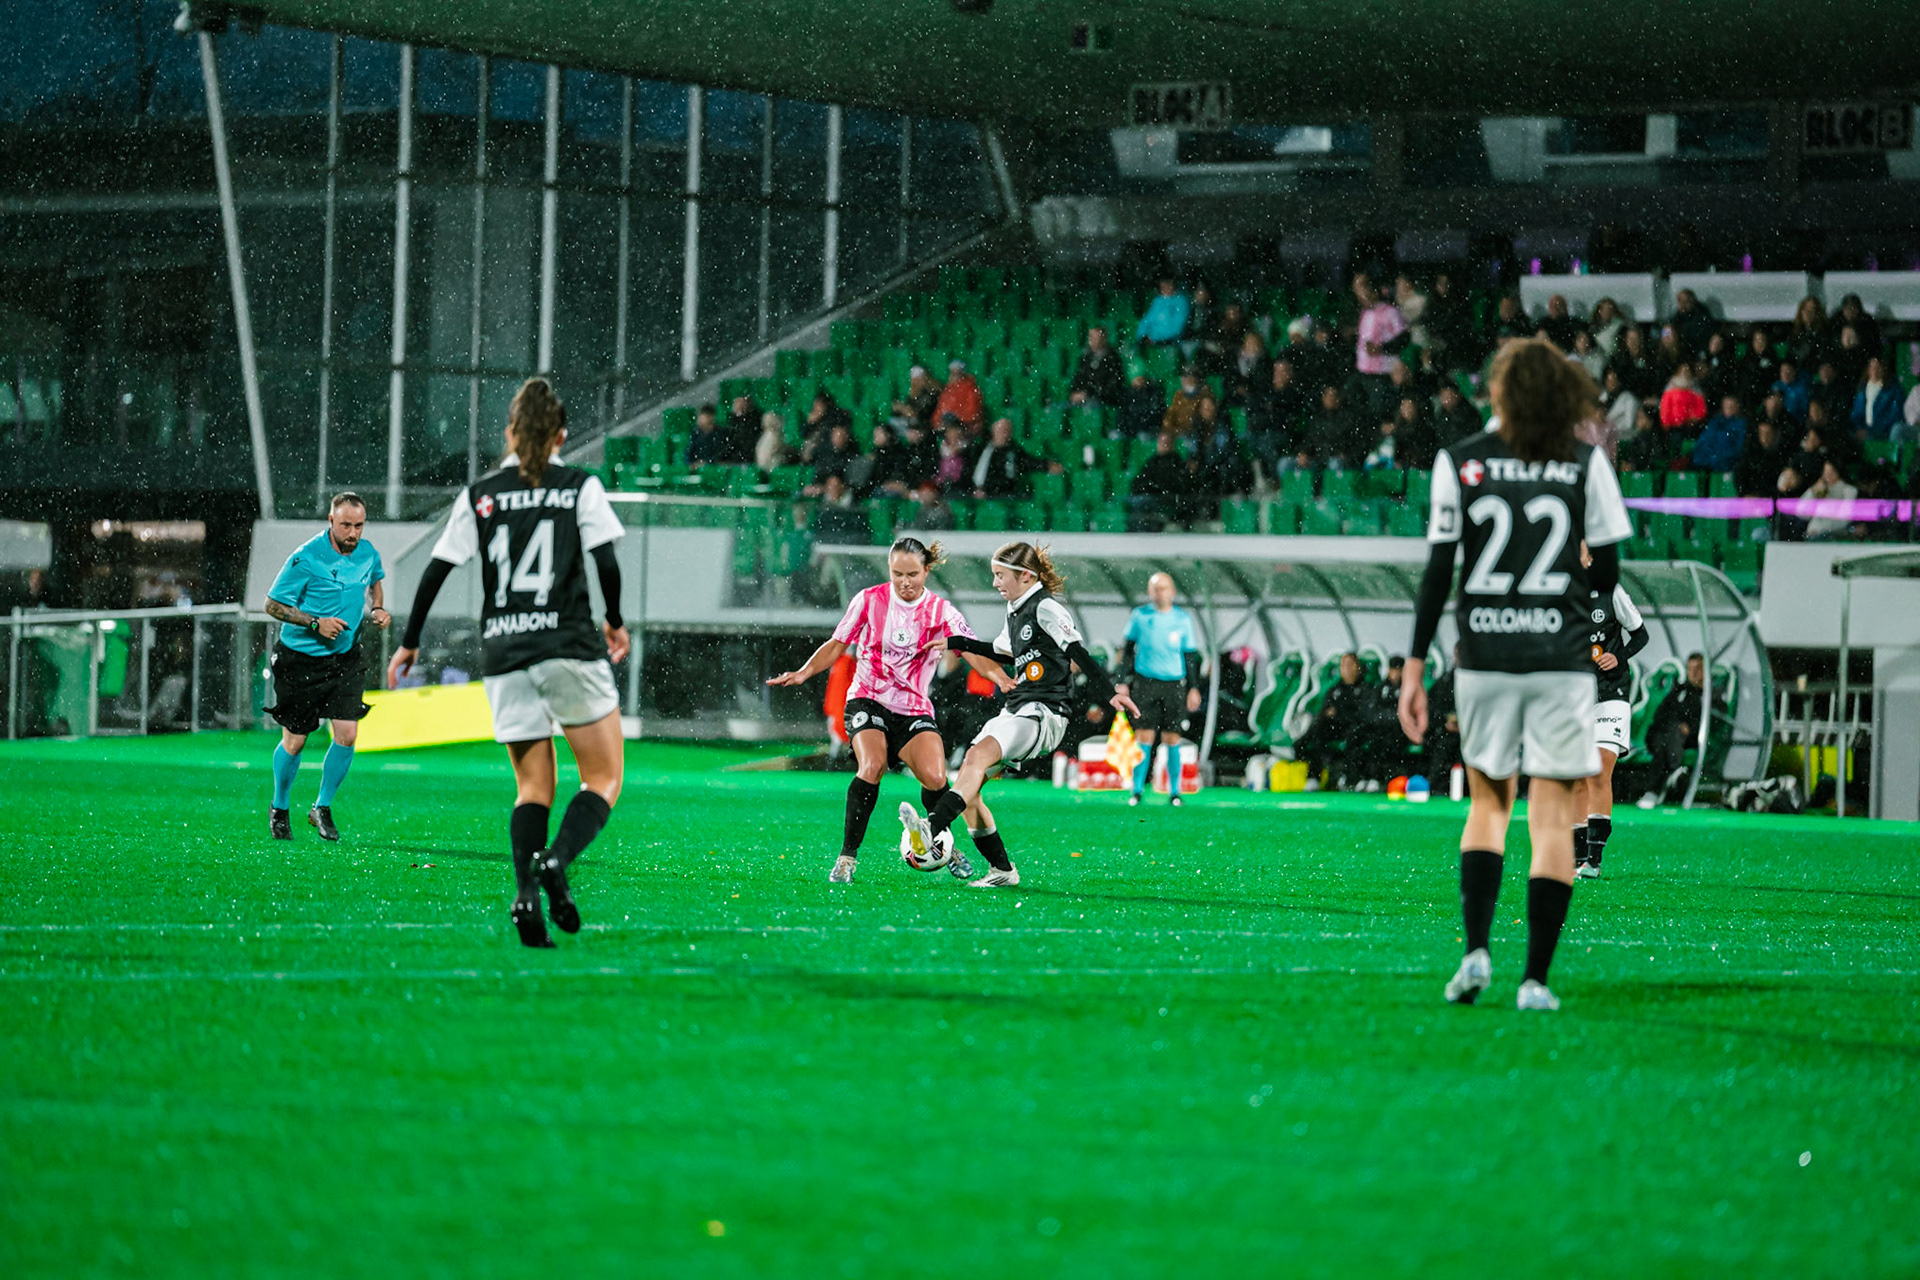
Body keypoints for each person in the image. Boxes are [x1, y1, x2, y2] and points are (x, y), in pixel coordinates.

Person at [1398, 337, 1635, 1012]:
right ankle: (1534, 980)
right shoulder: (1586, 464)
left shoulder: (1461, 462)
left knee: (1489, 805)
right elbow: (1608, 574)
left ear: (1498, 392)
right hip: (1561, 661)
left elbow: (1439, 572)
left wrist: (1415, 666)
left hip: (1486, 656)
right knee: (1554, 816)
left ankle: (1475, 953)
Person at [388, 378, 628, 950]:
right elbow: (605, 561)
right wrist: (614, 620)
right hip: (567, 644)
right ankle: (557, 861)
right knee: (603, 777)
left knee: (532, 788)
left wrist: (411, 640)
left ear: (509, 434)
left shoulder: (481, 493)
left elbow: (437, 569)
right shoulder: (578, 486)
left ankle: (524, 892)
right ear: (563, 435)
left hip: (504, 651)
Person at [766, 538, 1014, 883]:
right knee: (873, 765)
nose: (905, 582)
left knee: (936, 778)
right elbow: (838, 643)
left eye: (912, 574)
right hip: (868, 699)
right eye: (897, 574)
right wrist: (805, 671)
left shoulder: (941, 611)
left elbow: (970, 651)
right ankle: (846, 859)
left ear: (927, 571)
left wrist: (998, 676)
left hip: (913, 709)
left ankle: (944, 844)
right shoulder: (869, 600)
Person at [906, 542, 1139, 887]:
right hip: (1018, 708)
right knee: (970, 785)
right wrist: (954, 641)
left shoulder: (1045, 606)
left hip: (1045, 712)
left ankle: (932, 827)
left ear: (1025, 575)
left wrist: (1111, 693)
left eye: (1000, 575)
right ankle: (1002, 870)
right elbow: (998, 650)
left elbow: (1078, 650)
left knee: (976, 757)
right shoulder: (1016, 610)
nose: (996, 583)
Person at [262, 492, 390, 842]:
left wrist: (377, 607)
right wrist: (315, 622)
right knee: (295, 741)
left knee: (347, 733)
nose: (353, 532)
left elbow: (375, 578)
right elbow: (272, 605)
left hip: (345, 658)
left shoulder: (367, 552)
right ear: (331, 522)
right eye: (346, 524)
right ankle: (280, 806)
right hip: (300, 659)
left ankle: (321, 806)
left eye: (359, 525)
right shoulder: (306, 557)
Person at [1576, 543, 1649, 880]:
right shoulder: (1559, 593)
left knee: (1598, 771)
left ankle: (1594, 859)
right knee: (1575, 777)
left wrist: (1619, 657)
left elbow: (1640, 634)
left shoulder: (1611, 591)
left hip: (1612, 691)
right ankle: (1577, 856)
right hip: (1577, 695)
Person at [1115, 572, 1203, 807]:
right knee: (1144, 735)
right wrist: (1122, 680)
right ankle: (1136, 790)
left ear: (1172, 591)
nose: (1159, 592)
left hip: (1174, 684)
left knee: (1172, 737)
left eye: (1163, 588)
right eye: (1155, 588)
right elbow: (1127, 649)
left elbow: (1190, 656)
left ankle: (1174, 792)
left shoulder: (1182, 619)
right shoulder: (1140, 616)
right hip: (1146, 683)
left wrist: (1194, 688)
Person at [1637, 653, 1719, 808]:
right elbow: (1660, 715)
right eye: (1690, 668)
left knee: (1664, 744)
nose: (1693, 673)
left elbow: (1713, 721)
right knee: (1667, 737)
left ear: (1705, 671)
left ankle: (1653, 791)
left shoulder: (1711, 697)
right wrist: (1677, 724)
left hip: (1691, 740)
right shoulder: (1679, 691)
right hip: (1665, 736)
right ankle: (1674, 771)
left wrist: (1691, 728)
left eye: (1698, 668)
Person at [1293, 652, 1369, 789]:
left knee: (1355, 735)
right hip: (1335, 727)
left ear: (1358, 667)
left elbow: (1361, 713)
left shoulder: (1364, 688)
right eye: (1344, 665)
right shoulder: (1335, 689)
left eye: (1350, 665)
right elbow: (1325, 711)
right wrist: (1330, 714)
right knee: (1319, 730)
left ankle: (1351, 779)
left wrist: (1339, 712)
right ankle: (1313, 777)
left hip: (1354, 727)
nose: (1347, 668)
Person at [968, 417, 1041, 499]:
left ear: (1010, 434)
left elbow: (1008, 478)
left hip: (996, 496)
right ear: (993, 431)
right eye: (1000, 430)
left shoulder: (1012, 451)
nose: (1003, 434)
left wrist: (986, 491)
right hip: (975, 491)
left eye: (1006, 431)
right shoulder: (983, 447)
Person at [1068, 325, 1126, 406]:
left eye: (1096, 338)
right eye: (1091, 338)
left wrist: (1088, 394)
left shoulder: (1113, 359)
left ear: (1104, 339)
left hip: (1103, 401)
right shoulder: (1086, 358)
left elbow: (1112, 388)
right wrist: (1074, 393)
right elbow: (1078, 378)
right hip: (1084, 400)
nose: (1093, 341)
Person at [1690, 396, 1747, 472]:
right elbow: (1704, 441)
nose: (1729, 408)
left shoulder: (1741, 424)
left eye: (1731, 406)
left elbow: (1739, 447)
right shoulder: (1714, 423)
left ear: (1737, 407)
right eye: (1727, 406)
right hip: (1708, 462)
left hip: (1727, 462)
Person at [1852, 358, 1902, 443]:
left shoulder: (1893, 391)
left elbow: (1894, 416)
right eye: (1872, 367)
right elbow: (1856, 414)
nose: (1874, 370)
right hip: (1863, 430)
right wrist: (1858, 428)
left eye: (1878, 367)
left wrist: (1873, 430)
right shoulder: (1862, 390)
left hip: (1882, 432)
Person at [1134, 278, 1190, 348]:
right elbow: (1147, 319)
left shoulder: (1181, 302)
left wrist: (1154, 338)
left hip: (1169, 343)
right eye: (1162, 286)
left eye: (1167, 285)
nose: (1165, 288)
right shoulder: (1158, 301)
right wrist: (1141, 335)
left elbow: (1177, 327)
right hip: (1150, 341)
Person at [934, 359, 985, 431]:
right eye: (951, 373)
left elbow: (972, 413)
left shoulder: (970, 390)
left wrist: (956, 420)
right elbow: (939, 412)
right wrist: (937, 423)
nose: (952, 376)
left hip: (963, 428)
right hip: (947, 428)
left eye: (955, 373)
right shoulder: (947, 391)